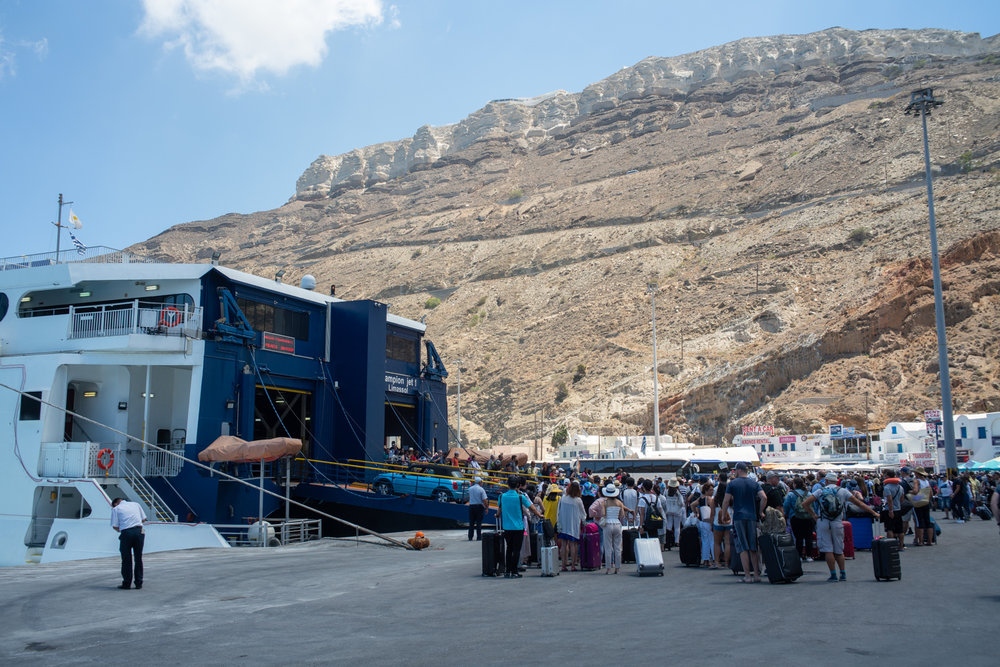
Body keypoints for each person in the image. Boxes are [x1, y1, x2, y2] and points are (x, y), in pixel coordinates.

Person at [802, 475, 879, 581]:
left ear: (827, 481)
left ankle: (833, 574)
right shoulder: (843, 491)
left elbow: (805, 503)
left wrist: (814, 515)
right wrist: (873, 512)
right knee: (839, 550)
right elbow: (859, 503)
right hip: (837, 522)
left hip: (823, 521)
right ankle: (843, 573)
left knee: (828, 549)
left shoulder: (820, 491)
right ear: (837, 481)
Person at [720, 462, 766, 583]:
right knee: (753, 546)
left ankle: (747, 576)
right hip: (752, 517)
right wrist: (760, 511)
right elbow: (764, 497)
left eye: (735, 470)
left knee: (742, 547)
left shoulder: (733, 484)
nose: (734, 472)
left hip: (739, 517)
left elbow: (726, 501)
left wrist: (724, 514)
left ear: (739, 470)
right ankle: (756, 574)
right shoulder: (754, 483)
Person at [497, 476, 540, 578]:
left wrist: (497, 515)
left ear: (508, 484)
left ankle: (507, 571)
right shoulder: (521, 497)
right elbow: (532, 508)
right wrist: (539, 514)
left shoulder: (502, 496)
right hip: (518, 527)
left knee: (509, 549)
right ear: (517, 485)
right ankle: (514, 571)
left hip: (506, 527)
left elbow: (499, 510)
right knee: (516, 549)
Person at [110, 497, 147, 590]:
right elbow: (144, 519)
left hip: (127, 533)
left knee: (126, 559)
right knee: (138, 558)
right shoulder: (136, 504)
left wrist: (122, 529)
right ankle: (139, 583)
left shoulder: (116, 509)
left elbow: (114, 526)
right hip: (139, 532)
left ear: (115, 504)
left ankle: (127, 583)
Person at [600, 483, 634, 574]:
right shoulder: (619, 503)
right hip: (617, 523)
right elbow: (622, 515)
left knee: (608, 547)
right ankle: (617, 568)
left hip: (608, 524)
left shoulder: (604, 502)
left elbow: (603, 514)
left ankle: (608, 568)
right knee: (617, 547)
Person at [556, 481, 587, 571]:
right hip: (573, 525)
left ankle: (563, 565)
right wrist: (584, 521)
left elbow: (558, 510)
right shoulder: (578, 500)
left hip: (563, 523)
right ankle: (573, 565)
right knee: (573, 545)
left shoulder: (563, 498)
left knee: (564, 544)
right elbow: (583, 514)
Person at [783, 477, 815, 561]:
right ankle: (809, 556)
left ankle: (799, 555)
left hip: (795, 517)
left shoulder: (791, 494)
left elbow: (786, 506)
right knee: (808, 537)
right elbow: (814, 505)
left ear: (795, 484)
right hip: (808, 517)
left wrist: (785, 514)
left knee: (798, 537)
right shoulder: (809, 493)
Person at [711, 474, 732, 569]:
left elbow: (712, 513)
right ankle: (727, 563)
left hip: (717, 521)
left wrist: (711, 524)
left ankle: (717, 562)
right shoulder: (731, 499)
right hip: (729, 521)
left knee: (717, 543)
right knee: (727, 542)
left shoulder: (715, 500)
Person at [661, 478, 685, 550]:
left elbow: (664, 500)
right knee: (677, 527)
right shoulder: (677, 493)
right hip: (677, 511)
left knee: (669, 526)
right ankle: (676, 541)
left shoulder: (666, 491)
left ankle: (668, 541)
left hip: (668, 510)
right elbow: (681, 503)